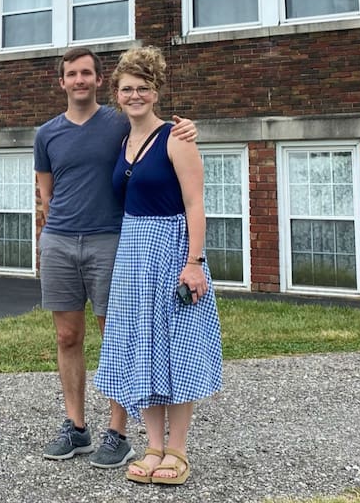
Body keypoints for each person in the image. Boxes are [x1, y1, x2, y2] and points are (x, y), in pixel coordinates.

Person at [34, 46, 196, 467]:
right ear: (62, 82)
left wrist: (190, 128)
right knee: (67, 337)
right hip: (60, 242)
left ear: (99, 81)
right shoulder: (46, 134)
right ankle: (76, 428)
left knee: (119, 337)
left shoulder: (118, 122)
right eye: (72, 74)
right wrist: (58, 231)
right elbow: (46, 194)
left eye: (87, 73)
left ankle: (117, 432)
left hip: (112, 242)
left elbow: (156, 126)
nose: (80, 80)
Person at [94, 46, 223, 486]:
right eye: (127, 88)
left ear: (156, 91)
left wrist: (195, 262)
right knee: (142, 347)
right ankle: (152, 446)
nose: (135, 95)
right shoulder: (121, 140)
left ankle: (179, 450)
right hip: (132, 253)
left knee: (178, 346)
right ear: (116, 93)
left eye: (143, 88)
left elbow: (195, 204)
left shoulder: (176, 138)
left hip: (172, 249)